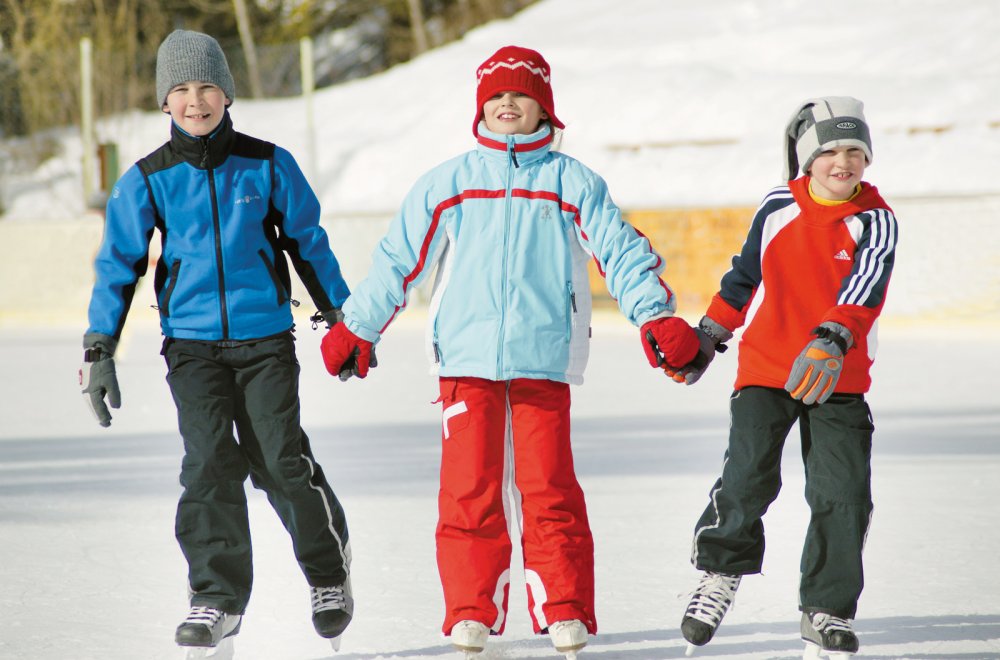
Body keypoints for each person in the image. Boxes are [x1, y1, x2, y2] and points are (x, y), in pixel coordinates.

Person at [319, 45, 701, 658]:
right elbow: (398, 259)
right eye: (495, 95)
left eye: (519, 95)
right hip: (464, 362)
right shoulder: (450, 183)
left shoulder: (571, 181)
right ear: (480, 108)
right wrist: (359, 327)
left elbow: (619, 249)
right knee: (469, 491)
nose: (506, 104)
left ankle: (564, 607)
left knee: (549, 489)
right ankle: (472, 610)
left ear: (542, 106)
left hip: (543, 357)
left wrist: (654, 314)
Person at [78, 29, 355, 656]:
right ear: (164, 101)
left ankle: (328, 575)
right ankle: (216, 598)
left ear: (227, 93)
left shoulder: (268, 163)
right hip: (192, 348)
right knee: (207, 465)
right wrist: (99, 349)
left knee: (280, 460)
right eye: (180, 89)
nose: (194, 100)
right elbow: (118, 266)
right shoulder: (148, 177)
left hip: (264, 342)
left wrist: (343, 319)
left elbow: (309, 243)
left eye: (206, 86)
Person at [672, 96, 899, 658]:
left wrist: (832, 338)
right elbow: (742, 277)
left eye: (855, 151)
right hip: (767, 369)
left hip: (838, 376)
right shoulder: (778, 205)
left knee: (843, 493)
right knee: (747, 477)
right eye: (830, 151)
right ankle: (719, 573)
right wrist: (709, 336)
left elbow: (863, 289)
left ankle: (826, 607)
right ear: (806, 158)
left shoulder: (876, 220)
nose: (843, 161)